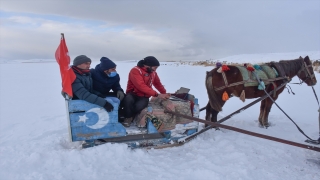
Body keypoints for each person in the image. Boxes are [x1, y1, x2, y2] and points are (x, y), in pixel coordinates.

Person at [122, 56, 170, 127]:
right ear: (148, 65)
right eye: (155, 67)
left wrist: (164, 93)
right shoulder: (135, 70)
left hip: (144, 95)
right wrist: (157, 94)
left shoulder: (153, 73)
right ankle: (128, 118)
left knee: (139, 106)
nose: (155, 69)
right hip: (132, 93)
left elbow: (158, 83)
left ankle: (132, 115)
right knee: (128, 101)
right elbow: (141, 86)